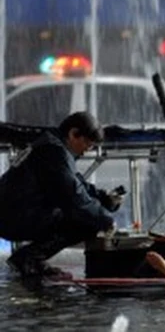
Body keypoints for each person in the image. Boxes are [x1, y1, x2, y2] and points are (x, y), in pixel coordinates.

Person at [0, 112, 122, 278]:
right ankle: (28, 259)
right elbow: (75, 198)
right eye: (87, 143)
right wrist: (106, 220)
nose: (87, 150)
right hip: (14, 217)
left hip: (14, 212)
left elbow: (75, 183)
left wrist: (103, 198)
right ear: (73, 133)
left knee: (90, 214)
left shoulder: (51, 144)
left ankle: (30, 258)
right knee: (88, 221)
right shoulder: (54, 153)